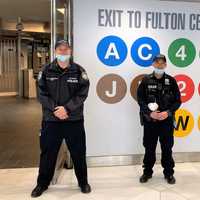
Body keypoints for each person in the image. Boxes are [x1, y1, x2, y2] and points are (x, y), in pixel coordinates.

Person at [31, 40, 91, 198]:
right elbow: (41, 94)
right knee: (48, 153)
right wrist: (55, 109)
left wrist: (67, 108)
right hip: (51, 120)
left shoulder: (79, 71)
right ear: (55, 51)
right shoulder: (46, 70)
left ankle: (83, 182)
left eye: (66, 49)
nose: (63, 52)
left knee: (78, 153)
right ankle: (42, 184)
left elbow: (82, 94)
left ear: (70, 51)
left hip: (74, 120)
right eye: (60, 49)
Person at [137, 54, 181, 184]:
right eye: (157, 63)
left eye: (162, 63)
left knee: (167, 148)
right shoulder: (145, 81)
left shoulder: (171, 81)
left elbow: (178, 101)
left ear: (165, 65)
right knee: (149, 148)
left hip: (166, 122)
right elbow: (140, 100)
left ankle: (169, 173)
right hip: (150, 122)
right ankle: (147, 172)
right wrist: (149, 113)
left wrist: (168, 112)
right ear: (153, 64)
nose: (159, 65)